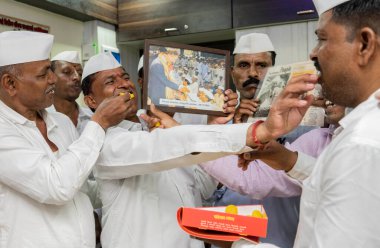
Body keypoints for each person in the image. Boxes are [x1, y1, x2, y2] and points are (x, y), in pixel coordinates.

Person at [232, 0, 380, 247]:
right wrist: (285, 159)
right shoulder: (363, 129)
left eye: (322, 39)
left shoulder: (362, 144)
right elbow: (335, 183)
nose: (313, 53)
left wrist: (244, 245)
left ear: (364, 44)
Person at [0, 31, 132, 248]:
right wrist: (98, 123)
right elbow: (57, 187)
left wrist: (125, 183)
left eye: (51, 71)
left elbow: (79, 187)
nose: (53, 79)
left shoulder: (60, 122)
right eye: (43, 75)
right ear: (10, 84)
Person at [202, 33, 301, 248]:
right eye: (244, 65)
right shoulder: (217, 124)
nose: (253, 73)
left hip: (282, 237)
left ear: (275, 69)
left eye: (262, 65)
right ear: (232, 72)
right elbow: (204, 187)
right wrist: (235, 133)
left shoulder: (298, 121)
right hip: (229, 238)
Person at [49, 51, 93, 134]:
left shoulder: (92, 118)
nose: (77, 77)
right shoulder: (42, 118)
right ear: (51, 77)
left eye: (80, 73)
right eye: (67, 72)